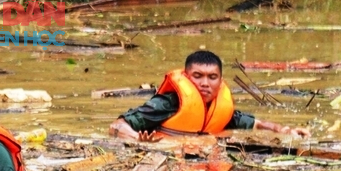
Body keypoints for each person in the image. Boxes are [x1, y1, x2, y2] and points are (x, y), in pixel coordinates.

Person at [109, 50, 311, 141]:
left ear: (221, 80)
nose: (205, 83)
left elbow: (257, 124)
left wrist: (287, 131)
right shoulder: (168, 104)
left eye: (212, 77)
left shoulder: (221, 110)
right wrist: (137, 139)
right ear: (187, 77)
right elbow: (116, 126)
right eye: (198, 76)